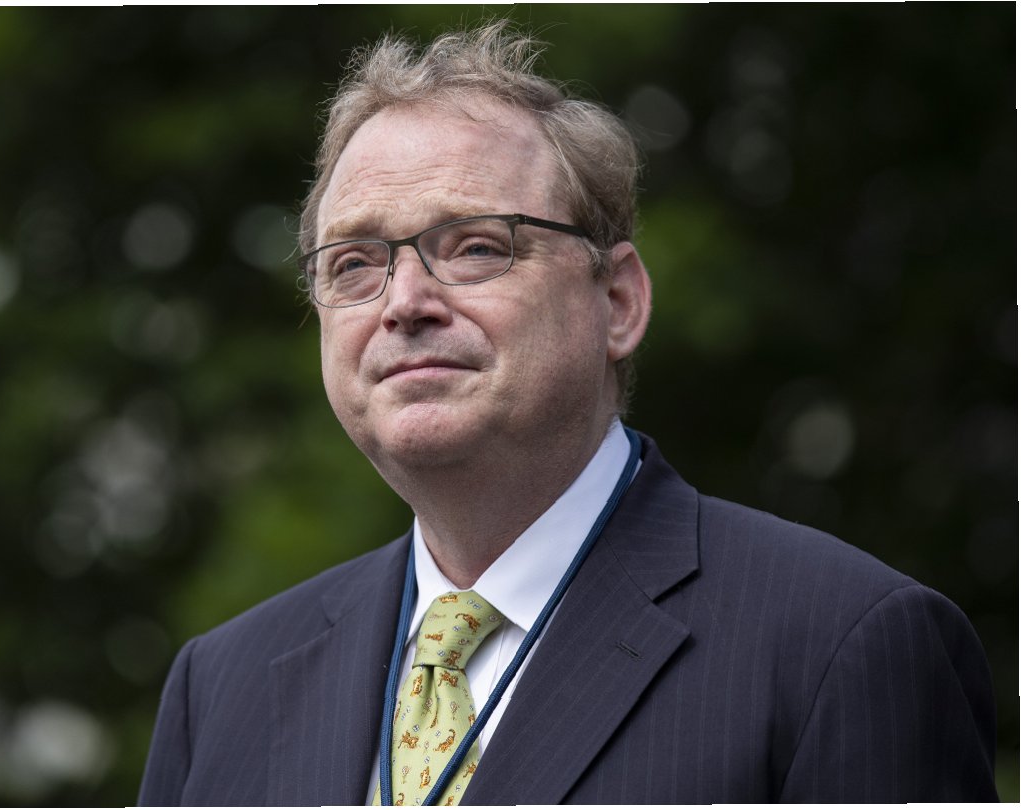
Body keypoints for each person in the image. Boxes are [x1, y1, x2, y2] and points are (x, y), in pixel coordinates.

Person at [138, 22, 997, 805]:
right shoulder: (219, 688)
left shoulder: (845, 645)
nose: (403, 303)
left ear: (617, 302)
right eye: (354, 264)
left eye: (475, 246)